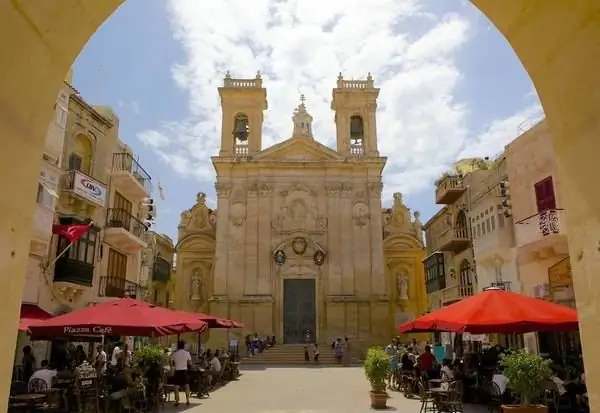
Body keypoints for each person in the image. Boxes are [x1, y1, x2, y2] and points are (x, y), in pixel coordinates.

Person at [170, 340, 192, 407]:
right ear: (183, 346)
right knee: (187, 386)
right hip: (184, 371)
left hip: (177, 371)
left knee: (176, 387)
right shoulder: (187, 353)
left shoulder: (174, 353)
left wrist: (174, 365)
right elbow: (190, 363)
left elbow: (171, 363)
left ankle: (177, 401)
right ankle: (188, 400)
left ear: (178, 346)